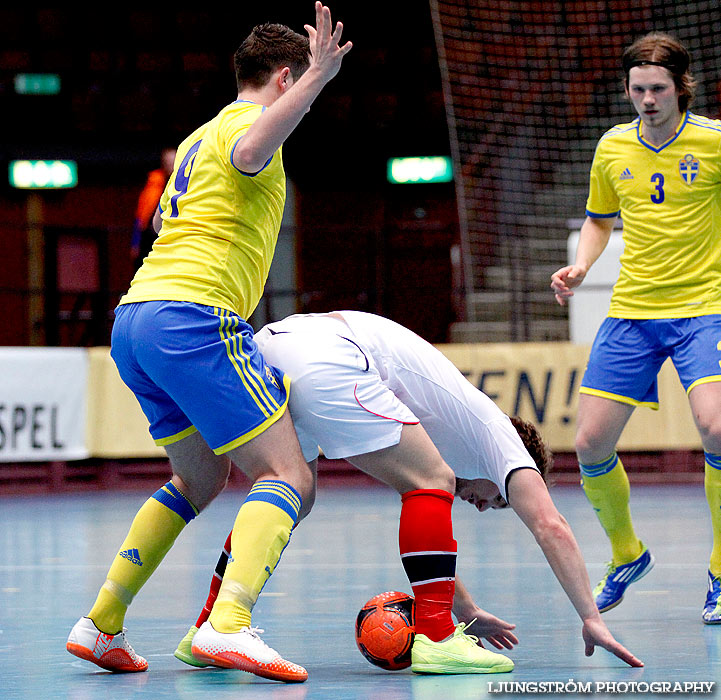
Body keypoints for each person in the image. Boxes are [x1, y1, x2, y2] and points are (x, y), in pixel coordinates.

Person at [66, 3, 351, 683]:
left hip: (134, 321)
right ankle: (228, 625)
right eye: (297, 81)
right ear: (282, 77)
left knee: (198, 478)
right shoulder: (251, 128)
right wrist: (319, 77)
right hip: (191, 318)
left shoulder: (198, 135)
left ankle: (101, 622)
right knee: (289, 476)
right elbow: (256, 151)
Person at [175, 310, 643, 674]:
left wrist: (469, 609)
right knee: (430, 482)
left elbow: (429, 536)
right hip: (329, 356)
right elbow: (551, 526)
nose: (482, 505)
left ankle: (208, 627)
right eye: (496, 499)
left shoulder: (447, 435)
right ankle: (438, 639)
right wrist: (591, 617)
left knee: (291, 493)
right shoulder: (501, 440)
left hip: (271, 347)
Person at [550, 32, 721, 624]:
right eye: (637, 89)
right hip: (633, 311)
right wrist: (582, 265)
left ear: (681, 89)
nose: (647, 99)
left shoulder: (713, 143)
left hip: (705, 306)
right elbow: (599, 219)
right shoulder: (611, 146)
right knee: (590, 443)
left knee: (715, 425)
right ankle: (627, 554)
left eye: (658, 89)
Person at [130, 147, 176, 272]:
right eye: (168, 162)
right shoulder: (154, 183)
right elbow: (140, 217)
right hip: (150, 237)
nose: (171, 165)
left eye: (173, 161)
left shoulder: (184, 183)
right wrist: (135, 243)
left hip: (173, 237)